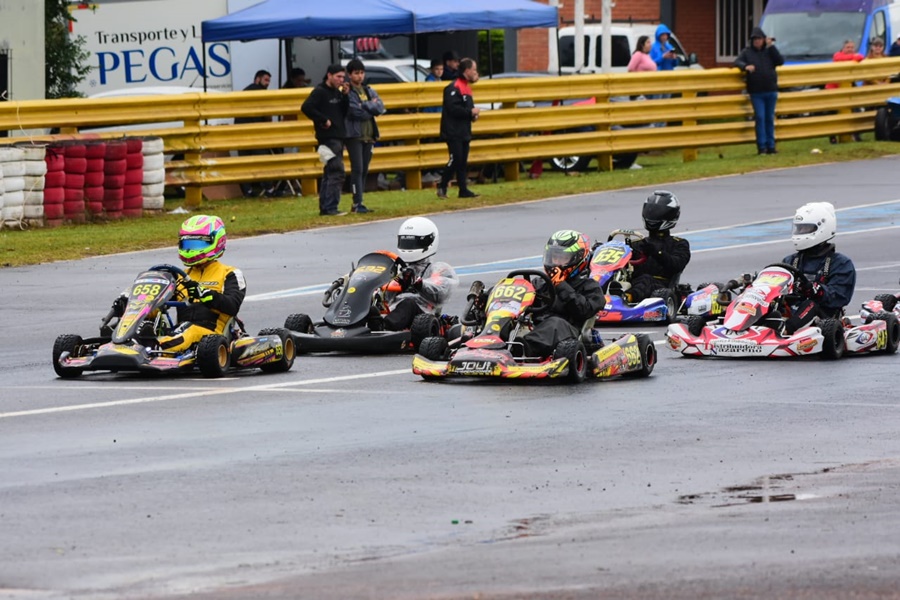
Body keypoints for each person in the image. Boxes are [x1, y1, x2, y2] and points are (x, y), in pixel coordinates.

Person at [111, 215, 246, 353]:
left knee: (189, 330)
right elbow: (159, 305)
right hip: (180, 331)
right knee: (150, 324)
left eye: (197, 244)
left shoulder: (230, 273)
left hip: (212, 334)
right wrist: (133, 305)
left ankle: (153, 349)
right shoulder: (179, 277)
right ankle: (123, 342)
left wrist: (204, 294)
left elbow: (232, 305)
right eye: (187, 244)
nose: (191, 249)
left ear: (216, 241)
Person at [522, 230, 606, 358]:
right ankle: (492, 344)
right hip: (536, 328)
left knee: (555, 323)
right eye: (554, 257)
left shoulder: (590, 287)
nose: (556, 262)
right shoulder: (540, 283)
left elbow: (583, 311)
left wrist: (561, 285)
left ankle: (524, 349)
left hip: (569, 335)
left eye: (562, 258)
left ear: (578, 258)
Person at [780, 202, 856, 332]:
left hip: (822, 318)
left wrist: (815, 289)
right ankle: (742, 329)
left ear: (822, 229)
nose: (800, 232)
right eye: (799, 229)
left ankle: (786, 331)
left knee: (810, 304)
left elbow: (839, 297)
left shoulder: (840, 263)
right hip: (791, 311)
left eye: (805, 228)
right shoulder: (791, 261)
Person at [382, 217, 458, 331]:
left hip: (423, 317)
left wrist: (419, 283)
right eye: (406, 242)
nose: (409, 247)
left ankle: (383, 327)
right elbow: (386, 295)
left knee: (408, 303)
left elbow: (441, 293)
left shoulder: (438, 269)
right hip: (392, 311)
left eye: (413, 243)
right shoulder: (396, 268)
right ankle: (361, 326)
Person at [625, 190, 691, 303]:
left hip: (663, 289)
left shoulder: (679, 244)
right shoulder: (637, 244)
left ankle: (626, 299)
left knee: (645, 280)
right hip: (633, 284)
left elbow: (676, 265)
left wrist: (656, 253)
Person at [301, 64, 350, 216]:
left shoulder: (337, 92)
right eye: (338, 77)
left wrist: (346, 96)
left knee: (330, 172)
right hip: (327, 138)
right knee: (336, 171)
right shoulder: (320, 91)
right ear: (329, 75)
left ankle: (326, 207)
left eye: (343, 77)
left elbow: (344, 112)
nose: (341, 80)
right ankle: (330, 207)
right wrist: (323, 120)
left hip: (338, 136)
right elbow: (306, 107)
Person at [344, 58, 385, 214]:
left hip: (369, 134)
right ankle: (356, 202)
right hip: (354, 135)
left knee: (365, 169)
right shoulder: (347, 90)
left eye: (361, 73)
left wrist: (366, 105)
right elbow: (354, 111)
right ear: (349, 74)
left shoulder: (368, 90)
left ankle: (360, 201)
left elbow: (380, 107)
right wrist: (370, 107)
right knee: (357, 169)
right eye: (356, 73)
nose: (359, 76)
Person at [734, 26, 784, 155]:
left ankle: (771, 146)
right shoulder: (747, 52)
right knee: (760, 117)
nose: (757, 41)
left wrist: (771, 46)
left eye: (759, 39)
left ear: (763, 40)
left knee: (769, 118)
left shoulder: (769, 52)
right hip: (756, 91)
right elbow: (737, 61)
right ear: (752, 40)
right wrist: (745, 66)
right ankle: (762, 147)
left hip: (771, 89)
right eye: (755, 39)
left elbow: (780, 61)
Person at [437, 57, 481, 200]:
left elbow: (466, 109)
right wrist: (470, 113)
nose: (476, 73)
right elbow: (453, 109)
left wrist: (472, 116)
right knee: (455, 159)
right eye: (474, 70)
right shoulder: (453, 87)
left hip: (464, 130)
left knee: (462, 162)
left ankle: (463, 189)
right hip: (453, 131)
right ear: (467, 70)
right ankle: (442, 185)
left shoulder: (467, 87)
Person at [235, 70, 277, 197]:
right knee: (262, 161)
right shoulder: (262, 92)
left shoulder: (244, 91)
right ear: (257, 79)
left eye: (269, 81)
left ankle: (247, 190)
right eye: (266, 80)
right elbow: (267, 114)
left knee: (245, 163)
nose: (268, 84)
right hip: (256, 133)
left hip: (240, 133)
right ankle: (269, 189)